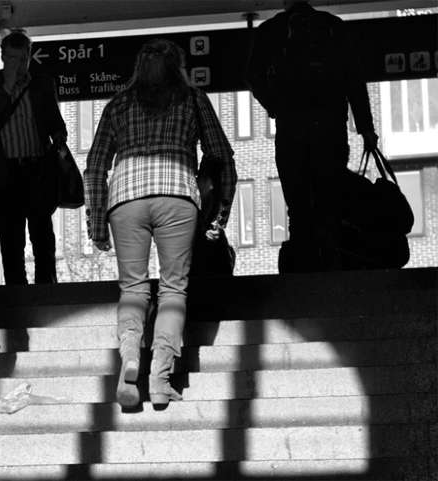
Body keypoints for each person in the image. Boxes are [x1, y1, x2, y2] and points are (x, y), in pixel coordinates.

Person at [84, 39, 236, 408]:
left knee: (133, 289)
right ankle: (160, 378)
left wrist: (97, 223)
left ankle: (131, 356)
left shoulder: (118, 104)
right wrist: (219, 214)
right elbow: (222, 156)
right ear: (177, 68)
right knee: (173, 289)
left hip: (126, 201)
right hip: (176, 197)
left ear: (139, 68)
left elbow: (95, 165)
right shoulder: (193, 99)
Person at [246, 0, 377, 272]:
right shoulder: (333, 27)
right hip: (330, 132)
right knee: (330, 205)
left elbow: (253, 76)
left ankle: (304, 278)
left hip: (291, 131)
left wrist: (275, 105)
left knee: (299, 207)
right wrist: (366, 129)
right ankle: (332, 272)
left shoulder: (270, 31)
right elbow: (354, 81)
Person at [0, 31, 68, 285]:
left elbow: (56, 124)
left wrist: (59, 140)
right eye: (13, 58)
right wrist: (6, 86)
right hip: (4, 174)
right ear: (3, 57)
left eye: (23, 58)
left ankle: (47, 293)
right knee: (10, 241)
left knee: (43, 238)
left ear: (29, 57)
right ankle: (17, 297)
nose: (18, 64)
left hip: (37, 170)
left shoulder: (41, 83)